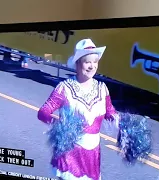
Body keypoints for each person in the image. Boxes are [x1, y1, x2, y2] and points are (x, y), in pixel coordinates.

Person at [37, 38, 119, 180]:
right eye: (87, 62)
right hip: (69, 154)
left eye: (95, 61)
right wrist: (60, 126)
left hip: (92, 156)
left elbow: (110, 112)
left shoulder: (102, 88)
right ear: (77, 63)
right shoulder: (65, 88)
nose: (92, 66)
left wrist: (124, 124)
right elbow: (43, 112)